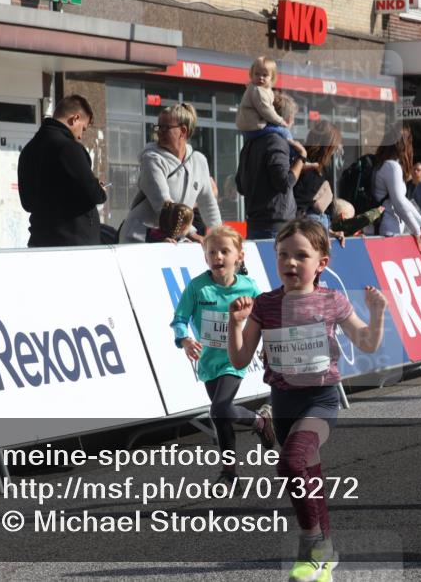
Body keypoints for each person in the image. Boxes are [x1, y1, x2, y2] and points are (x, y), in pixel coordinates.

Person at [227, 219, 387, 582]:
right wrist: (236, 324)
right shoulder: (266, 304)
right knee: (307, 473)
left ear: (322, 263)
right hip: (283, 402)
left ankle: (311, 546)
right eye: (284, 255)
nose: (291, 263)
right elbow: (239, 360)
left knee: (292, 461)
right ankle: (325, 556)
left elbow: (367, 343)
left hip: (320, 400)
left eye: (302, 255)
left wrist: (376, 314)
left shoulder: (332, 301)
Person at [170, 225, 273, 484]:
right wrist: (184, 340)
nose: (217, 257)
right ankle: (232, 469)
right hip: (208, 362)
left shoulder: (250, 288)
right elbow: (179, 318)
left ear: (239, 256)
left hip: (234, 359)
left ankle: (252, 434)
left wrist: (267, 345)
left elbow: (267, 318)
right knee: (221, 417)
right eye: (211, 252)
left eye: (224, 251)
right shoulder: (197, 287)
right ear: (205, 257)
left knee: (220, 408)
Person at [120, 103, 221, 244]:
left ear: (183, 131)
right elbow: (164, 206)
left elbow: (209, 203)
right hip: (141, 237)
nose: (159, 132)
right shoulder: (152, 158)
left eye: (165, 128)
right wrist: (192, 233)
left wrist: (220, 236)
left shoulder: (199, 160)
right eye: (158, 127)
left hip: (174, 237)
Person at [17, 95, 107, 247]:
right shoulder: (69, 148)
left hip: (40, 241)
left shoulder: (28, 150)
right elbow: (94, 193)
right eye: (83, 129)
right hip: (73, 243)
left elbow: (28, 204)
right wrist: (100, 189)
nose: (80, 136)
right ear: (75, 118)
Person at [236, 92, 306, 239]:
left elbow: (240, 186)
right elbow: (285, 183)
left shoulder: (250, 142)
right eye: (293, 118)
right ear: (287, 119)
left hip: (255, 222)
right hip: (276, 226)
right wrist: (301, 158)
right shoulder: (277, 141)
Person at [372, 125, 421, 252]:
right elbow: (399, 203)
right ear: (404, 143)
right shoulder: (392, 166)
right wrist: (418, 228)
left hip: (388, 228)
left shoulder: (384, 164)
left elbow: (401, 201)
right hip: (388, 230)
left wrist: (420, 223)